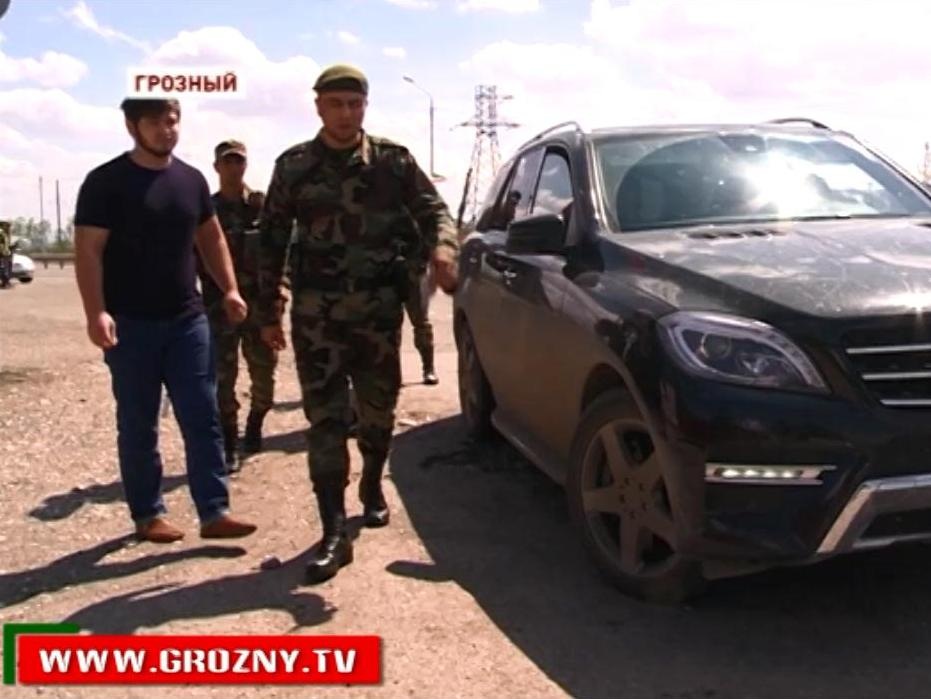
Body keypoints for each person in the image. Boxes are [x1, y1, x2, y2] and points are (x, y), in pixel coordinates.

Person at [256, 64, 459, 584]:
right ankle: (332, 532)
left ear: (365, 106)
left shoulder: (392, 162)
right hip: (316, 319)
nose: (346, 114)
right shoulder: (294, 166)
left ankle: (371, 480)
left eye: (354, 104)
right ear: (318, 107)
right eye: (336, 104)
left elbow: (434, 210)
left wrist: (443, 249)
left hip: (377, 316)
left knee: (377, 413)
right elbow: (271, 239)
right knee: (324, 421)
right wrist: (267, 311)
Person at [73, 97, 257, 544]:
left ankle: (214, 512)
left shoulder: (191, 181)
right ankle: (148, 514)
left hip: (187, 320)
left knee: (202, 415)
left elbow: (211, 239)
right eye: (155, 122)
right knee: (139, 422)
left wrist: (230, 289)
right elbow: (88, 251)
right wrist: (96, 311)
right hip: (130, 323)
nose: (166, 129)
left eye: (172, 121)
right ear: (132, 126)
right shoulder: (105, 182)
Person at [198, 139, 288, 473]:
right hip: (219, 308)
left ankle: (255, 423)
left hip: (261, 308)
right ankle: (230, 442)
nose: (234, 167)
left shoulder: (262, 207)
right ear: (216, 167)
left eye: (239, 161)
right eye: (228, 162)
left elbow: (281, 254)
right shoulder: (206, 210)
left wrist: (278, 301)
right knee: (223, 380)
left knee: (264, 378)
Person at [404, 263, 439, 385]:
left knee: (421, 322)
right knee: (387, 325)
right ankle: (390, 373)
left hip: (415, 270)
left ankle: (429, 368)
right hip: (384, 270)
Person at [0, 220, 12, 288]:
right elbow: (2, 244)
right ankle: (5, 283)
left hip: (6, 253)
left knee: (6, 268)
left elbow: (7, 244)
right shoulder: (1, 233)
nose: (8, 227)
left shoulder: (6, 234)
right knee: (3, 268)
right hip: (2, 254)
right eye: (7, 226)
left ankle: (5, 282)